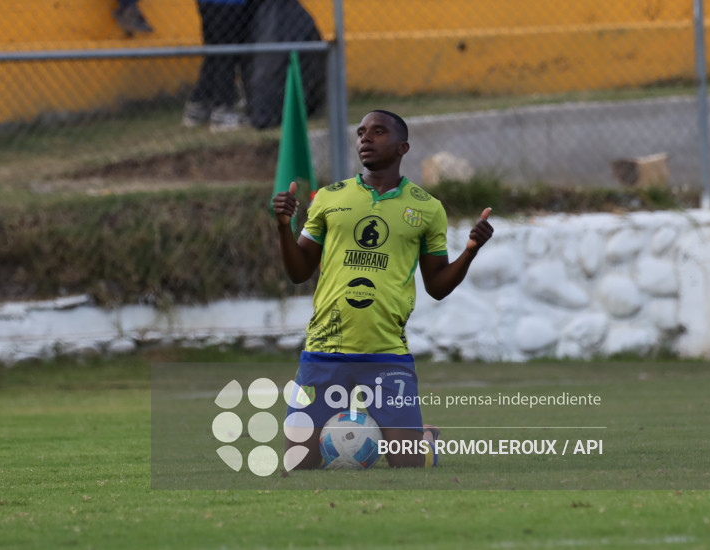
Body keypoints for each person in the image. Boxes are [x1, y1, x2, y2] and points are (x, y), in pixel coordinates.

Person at [271, 110, 495, 469]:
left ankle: (425, 439)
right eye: (361, 133)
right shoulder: (329, 198)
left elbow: (437, 286)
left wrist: (470, 252)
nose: (365, 138)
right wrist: (284, 226)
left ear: (403, 146)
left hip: (386, 355)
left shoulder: (426, 208)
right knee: (298, 464)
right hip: (324, 351)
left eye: (378, 131)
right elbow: (299, 272)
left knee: (408, 465)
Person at [182, 0, 256, 132]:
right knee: (225, 54)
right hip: (227, 4)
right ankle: (222, 111)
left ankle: (198, 106)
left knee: (214, 53)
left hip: (213, 4)